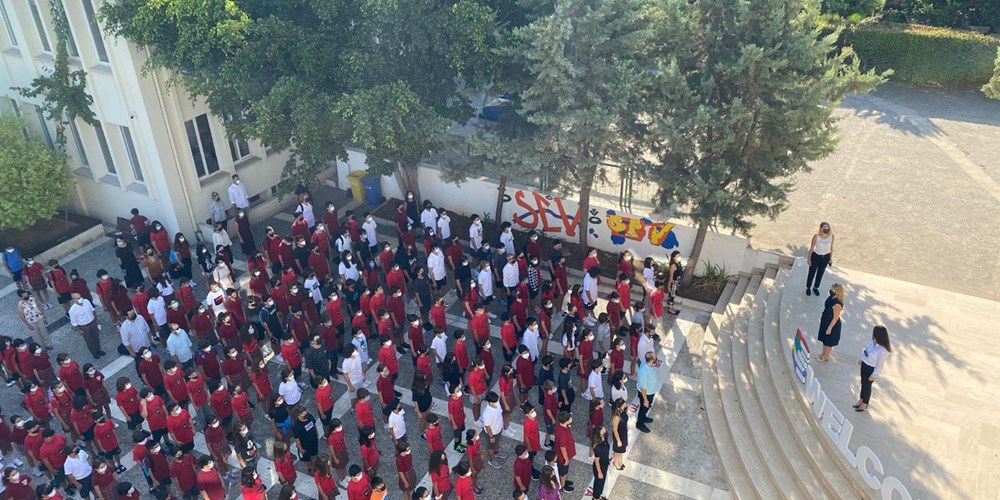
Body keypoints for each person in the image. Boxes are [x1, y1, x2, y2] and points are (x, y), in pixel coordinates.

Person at [855, 326, 892, 413]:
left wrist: (874, 374)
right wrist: (862, 359)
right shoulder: (873, 341)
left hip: (871, 369)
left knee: (867, 386)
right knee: (863, 383)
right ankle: (861, 399)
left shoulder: (883, 350)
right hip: (865, 364)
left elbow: (880, 364)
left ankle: (865, 403)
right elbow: (866, 350)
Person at [69, 293, 105, 357]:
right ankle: (94, 353)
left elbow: (92, 310)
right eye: (78, 298)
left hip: (92, 322)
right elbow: (74, 322)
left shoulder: (86, 301)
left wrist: (96, 319)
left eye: (80, 297)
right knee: (89, 340)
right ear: (74, 300)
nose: (80, 299)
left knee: (96, 337)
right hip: (84, 326)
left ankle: (98, 349)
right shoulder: (72, 310)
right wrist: (79, 330)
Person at [817, 283, 846, 362]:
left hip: (832, 324)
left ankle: (826, 356)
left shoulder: (837, 304)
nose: (830, 291)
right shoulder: (831, 297)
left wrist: (829, 328)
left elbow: (835, 317)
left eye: (832, 290)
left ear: (837, 292)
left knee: (829, 342)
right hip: (825, 321)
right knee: (824, 340)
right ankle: (823, 353)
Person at [806, 222, 835, 296]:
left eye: (828, 227)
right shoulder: (816, 237)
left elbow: (831, 247)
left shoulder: (832, 236)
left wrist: (830, 258)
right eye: (825, 227)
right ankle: (808, 287)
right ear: (821, 229)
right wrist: (809, 259)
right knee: (811, 273)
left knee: (820, 273)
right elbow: (811, 248)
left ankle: (816, 287)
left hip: (826, 257)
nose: (826, 229)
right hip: (816, 256)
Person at [636, 351, 658, 433]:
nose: (656, 357)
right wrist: (645, 400)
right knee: (644, 407)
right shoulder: (644, 372)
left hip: (650, 391)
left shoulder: (646, 362)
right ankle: (639, 423)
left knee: (646, 408)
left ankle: (644, 417)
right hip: (646, 394)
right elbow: (643, 388)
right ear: (652, 359)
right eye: (655, 357)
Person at [590, 425, 611, 500]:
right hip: (599, 466)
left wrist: (607, 459)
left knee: (602, 481)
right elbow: (597, 461)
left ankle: (598, 496)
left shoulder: (604, 438)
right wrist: (599, 472)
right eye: (603, 429)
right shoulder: (597, 446)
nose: (605, 429)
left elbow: (606, 451)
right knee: (598, 482)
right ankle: (595, 497)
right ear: (599, 433)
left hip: (604, 463)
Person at [610, 397, 628, 470]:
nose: (625, 404)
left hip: (623, 433)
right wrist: (618, 440)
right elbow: (615, 430)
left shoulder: (622, 411)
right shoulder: (616, 417)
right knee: (617, 451)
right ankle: (616, 463)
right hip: (619, 434)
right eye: (623, 404)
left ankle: (620, 461)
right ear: (618, 407)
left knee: (621, 449)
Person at [666, 251, 683, 315]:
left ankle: (672, 307)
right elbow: (671, 276)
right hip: (673, 283)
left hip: (677, 283)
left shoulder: (678, 264)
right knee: (671, 296)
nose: (679, 257)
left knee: (673, 296)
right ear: (674, 257)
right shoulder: (673, 265)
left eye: (680, 256)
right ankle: (670, 309)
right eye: (678, 256)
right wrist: (669, 286)